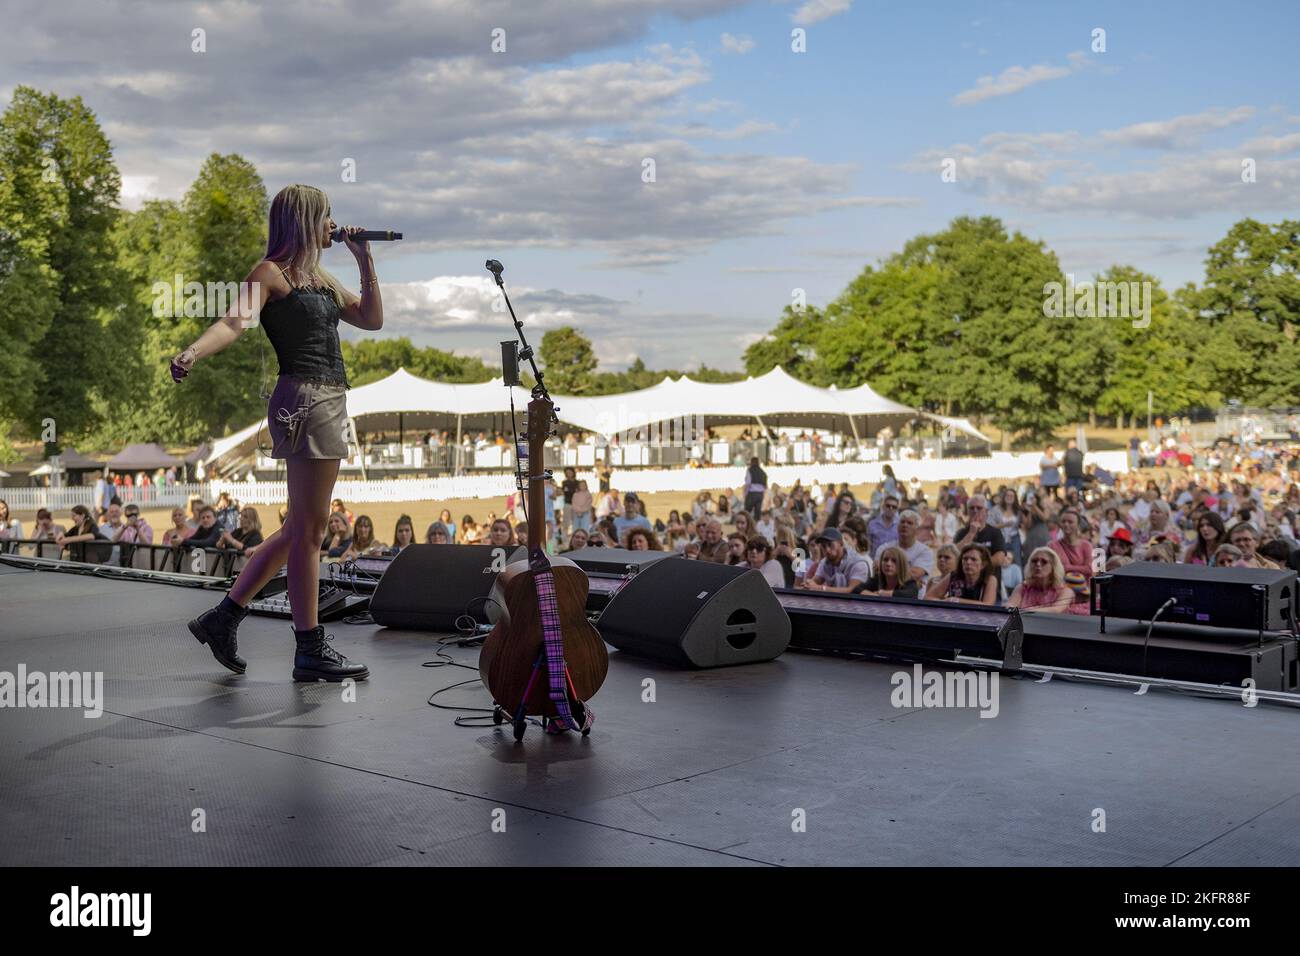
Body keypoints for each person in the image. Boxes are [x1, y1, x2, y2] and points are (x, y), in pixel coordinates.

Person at [174, 184, 376, 682]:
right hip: (305, 398)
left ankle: (223, 619)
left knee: (297, 531)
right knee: (310, 532)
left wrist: (364, 260)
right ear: (305, 220)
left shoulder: (321, 278)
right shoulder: (272, 273)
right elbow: (232, 322)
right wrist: (193, 352)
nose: (333, 224)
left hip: (326, 398)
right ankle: (309, 647)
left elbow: (372, 319)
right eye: (326, 217)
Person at [874, 508, 933, 587]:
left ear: (917, 529)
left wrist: (889, 572)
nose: (905, 525)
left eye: (909, 523)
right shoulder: (884, 548)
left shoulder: (925, 551)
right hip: (885, 595)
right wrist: (909, 576)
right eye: (902, 522)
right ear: (897, 526)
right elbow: (878, 570)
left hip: (913, 598)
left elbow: (915, 574)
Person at [802, 527, 870, 593]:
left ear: (841, 543)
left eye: (830, 545)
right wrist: (809, 584)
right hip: (833, 603)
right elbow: (816, 581)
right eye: (823, 546)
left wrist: (820, 588)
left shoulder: (858, 563)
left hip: (858, 604)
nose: (827, 550)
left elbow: (851, 591)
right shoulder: (825, 562)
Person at [1007, 548, 1075, 613]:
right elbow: (1010, 606)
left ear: (1053, 567)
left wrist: (1024, 610)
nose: (1038, 564)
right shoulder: (1022, 588)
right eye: (1034, 561)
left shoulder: (1066, 591)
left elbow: (1056, 610)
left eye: (1044, 562)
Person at [931, 544, 997, 605]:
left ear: (983, 564)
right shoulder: (953, 576)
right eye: (965, 559)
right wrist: (944, 602)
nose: (968, 562)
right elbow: (929, 597)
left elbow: (988, 605)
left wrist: (956, 600)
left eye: (973, 559)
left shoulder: (989, 579)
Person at [853, 546, 919, 598]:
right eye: (885, 560)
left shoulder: (910, 583)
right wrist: (876, 596)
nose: (888, 564)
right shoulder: (877, 579)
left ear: (901, 565)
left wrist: (882, 593)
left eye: (894, 561)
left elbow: (909, 595)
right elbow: (856, 589)